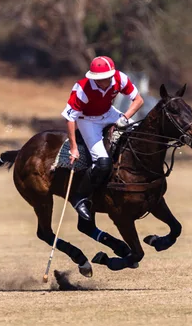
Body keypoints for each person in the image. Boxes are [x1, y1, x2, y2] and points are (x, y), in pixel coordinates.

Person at [61, 56, 144, 221]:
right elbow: (70, 118)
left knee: (140, 136)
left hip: (109, 113)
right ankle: (79, 197)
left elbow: (138, 100)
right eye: (98, 79)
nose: (102, 82)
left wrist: (125, 118)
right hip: (88, 121)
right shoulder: (82, 89)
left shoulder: (120, 79)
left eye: (104, 78)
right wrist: (73, 147)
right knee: (103, 163)